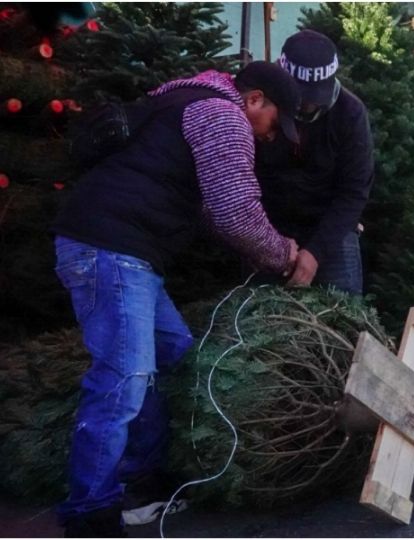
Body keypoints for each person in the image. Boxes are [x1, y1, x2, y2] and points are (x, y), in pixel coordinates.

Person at [50, 61, 302, 537]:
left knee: (173, 352)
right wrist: (281, 254)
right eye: (274, 121)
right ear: (253, 100)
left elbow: (208, 205)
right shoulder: (223, 116)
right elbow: (234, 211)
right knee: (122, 379)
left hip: (120, 251)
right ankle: (90, 514)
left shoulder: (184, 100)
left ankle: (145, 480)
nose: (271, 135)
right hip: (113, 250)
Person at [255, 29, 375, 294]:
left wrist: (316, 252)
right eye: (300, 95)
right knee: (257, 312)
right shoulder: (259, 106)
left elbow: (354, 192)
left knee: (343, 314)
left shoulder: (350, 114)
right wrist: (267, 238)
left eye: (315, 96)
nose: (308, 104)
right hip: (269, 225)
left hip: (329, 226)